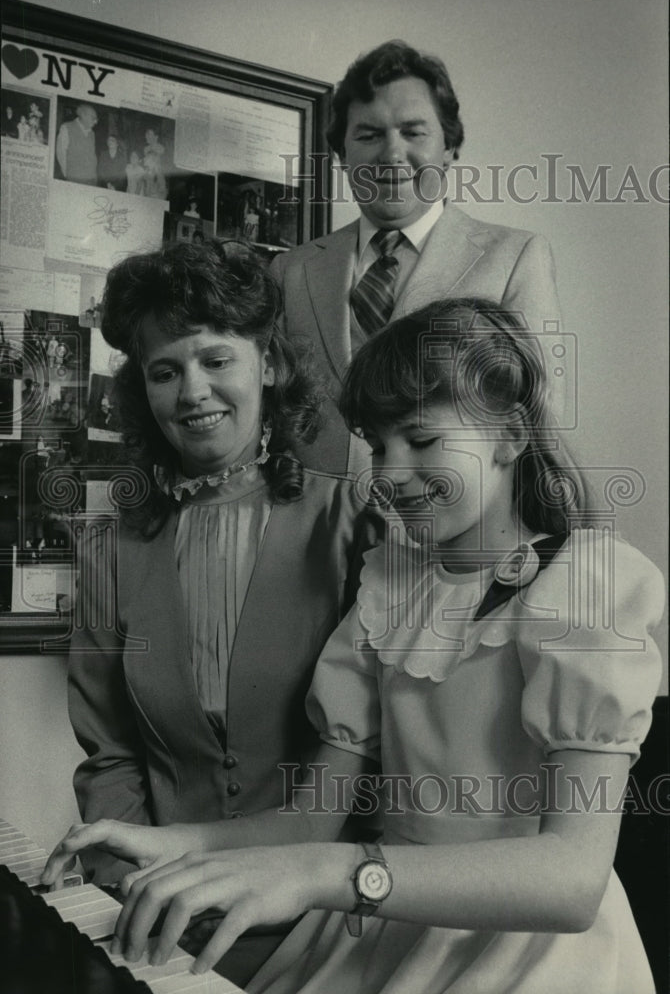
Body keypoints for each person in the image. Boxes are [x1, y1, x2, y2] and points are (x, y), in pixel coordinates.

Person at [45, 298, 664, 993]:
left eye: (423, 440)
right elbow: (310, 817)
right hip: (383, 926)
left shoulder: (587, 586)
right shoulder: (392, 588)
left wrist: (330, 873)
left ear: (510, 435)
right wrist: (171, 844)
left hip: (529, 957)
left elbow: (572, 881)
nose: (391, 473)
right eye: (377, 443)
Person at [42, 239, 376, 984]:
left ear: (269, 363)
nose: (192, 391)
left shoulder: (355, 523)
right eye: (165, 371)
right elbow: (112, 756)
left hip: (329, 921)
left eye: (216, 359)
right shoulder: (113, 551)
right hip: (169, 917)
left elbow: (386, 749)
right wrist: (132, 885)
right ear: (143, 391)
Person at [272, 41, 562, 478]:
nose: (391, 155)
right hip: (314, 539)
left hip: (447, 535)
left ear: (448, 147)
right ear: (342, 155)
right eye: (368, 136)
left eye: (413, 132)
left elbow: (538, 425)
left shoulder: (516, 259)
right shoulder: (290, 271)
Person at [55, 102, 98, 184]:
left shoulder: (92, 133)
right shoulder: (66, 127)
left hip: (91, 179)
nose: (96, 122)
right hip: (75, 178)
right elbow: (60, 153)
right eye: (93, 118)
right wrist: (68, 175)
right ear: (84, 115)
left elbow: (92, 156)